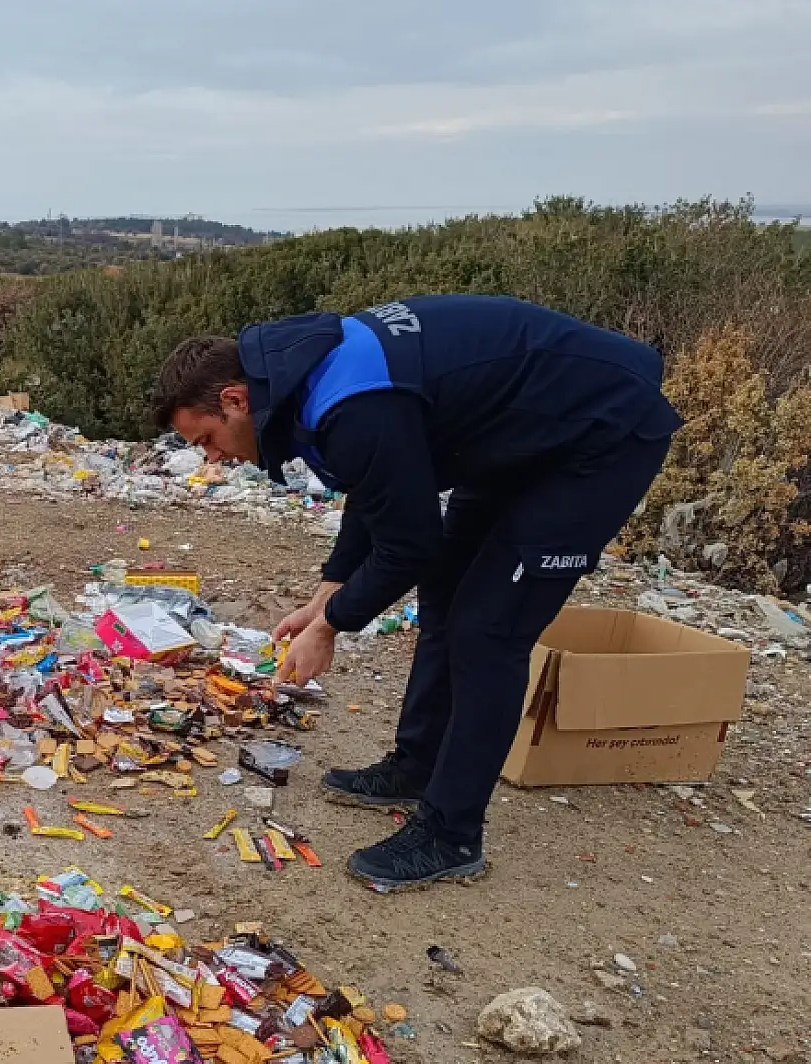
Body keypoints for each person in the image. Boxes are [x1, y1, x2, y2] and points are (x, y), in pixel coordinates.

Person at [149, 295, 681, 891]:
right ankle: (417, 767)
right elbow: (375, 490)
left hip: (599, 435)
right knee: (445, 600)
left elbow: (408, 544)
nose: (214, 458)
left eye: (207, 440)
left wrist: (330, 627)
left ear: (235, 399)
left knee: (488, 632)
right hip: (515, 440)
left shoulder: (348, 401)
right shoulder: (304, 375)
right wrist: (328, 594)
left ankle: (451, 834)